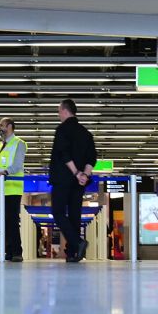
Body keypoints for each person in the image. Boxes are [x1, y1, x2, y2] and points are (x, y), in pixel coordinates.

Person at [49, 98, 97, 263]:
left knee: (58, 212)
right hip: (79, 183)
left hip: (63, 179)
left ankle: (77, 243)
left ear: (64, 110)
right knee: (75, 214)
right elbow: (92, 157)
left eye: (58, 111)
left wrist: (76, 173)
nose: (58, 114)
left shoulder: (62, 130)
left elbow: (63, 154)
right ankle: (74, 252)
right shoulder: (86, 133)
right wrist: (85, 175)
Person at [0, 117, 27, 262]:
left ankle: (17, 251)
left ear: (10, 126)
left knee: (12, 220)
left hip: (12, 189)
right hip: (0, 189)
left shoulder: (19, 143)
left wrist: (5, 172)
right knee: (4, 222)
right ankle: (9, 251)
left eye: (2, 125)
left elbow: (18, 164)